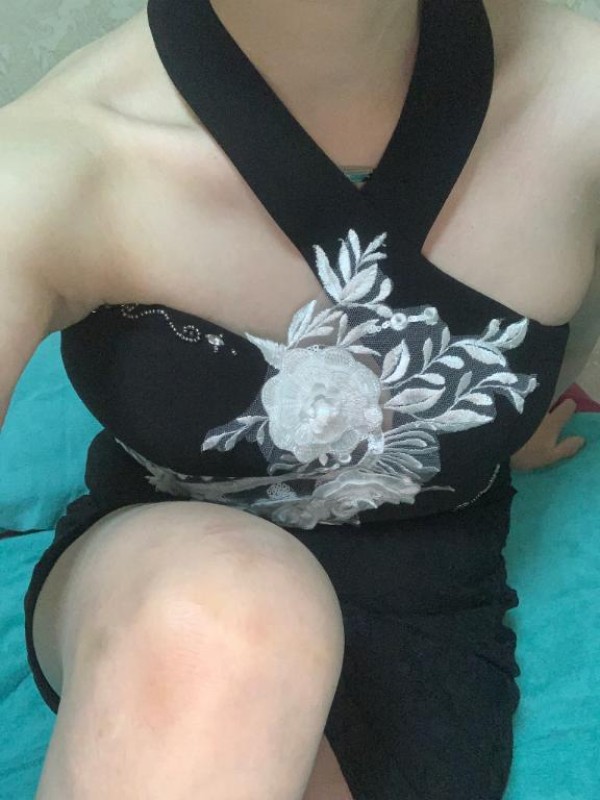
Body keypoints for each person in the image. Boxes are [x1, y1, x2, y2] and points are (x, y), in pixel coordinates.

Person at [1, 1, 598, 798]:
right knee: (221, 614)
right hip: (155, 585)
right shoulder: (48, 167)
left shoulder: (579, 95)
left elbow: (567, 328)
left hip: (425, 604)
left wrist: (512, 418)